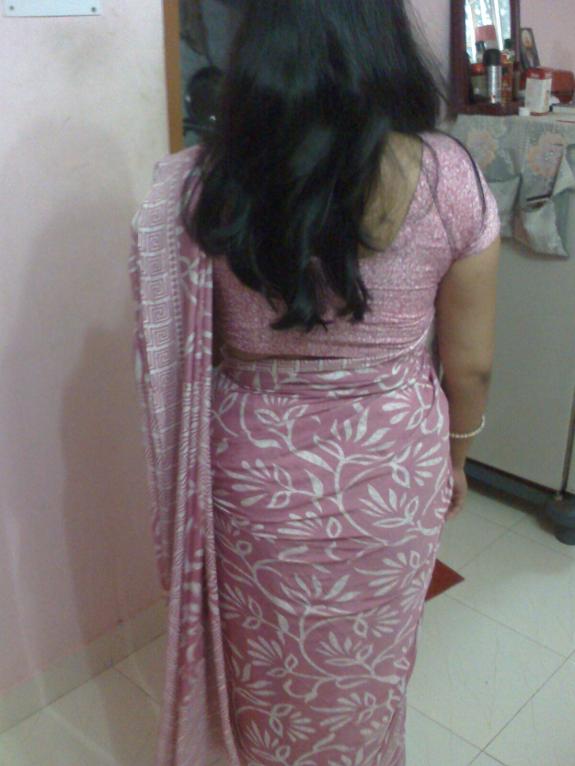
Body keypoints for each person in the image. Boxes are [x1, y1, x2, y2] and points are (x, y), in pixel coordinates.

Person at [129, 2, 501, 765]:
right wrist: (457, 457)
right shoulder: (450, 179)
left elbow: (195, 346)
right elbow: (469, 365)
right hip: (392, 473)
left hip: (251, 475)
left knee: (263, 663)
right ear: (386, 43)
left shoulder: (203, 183)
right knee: (369, 665)